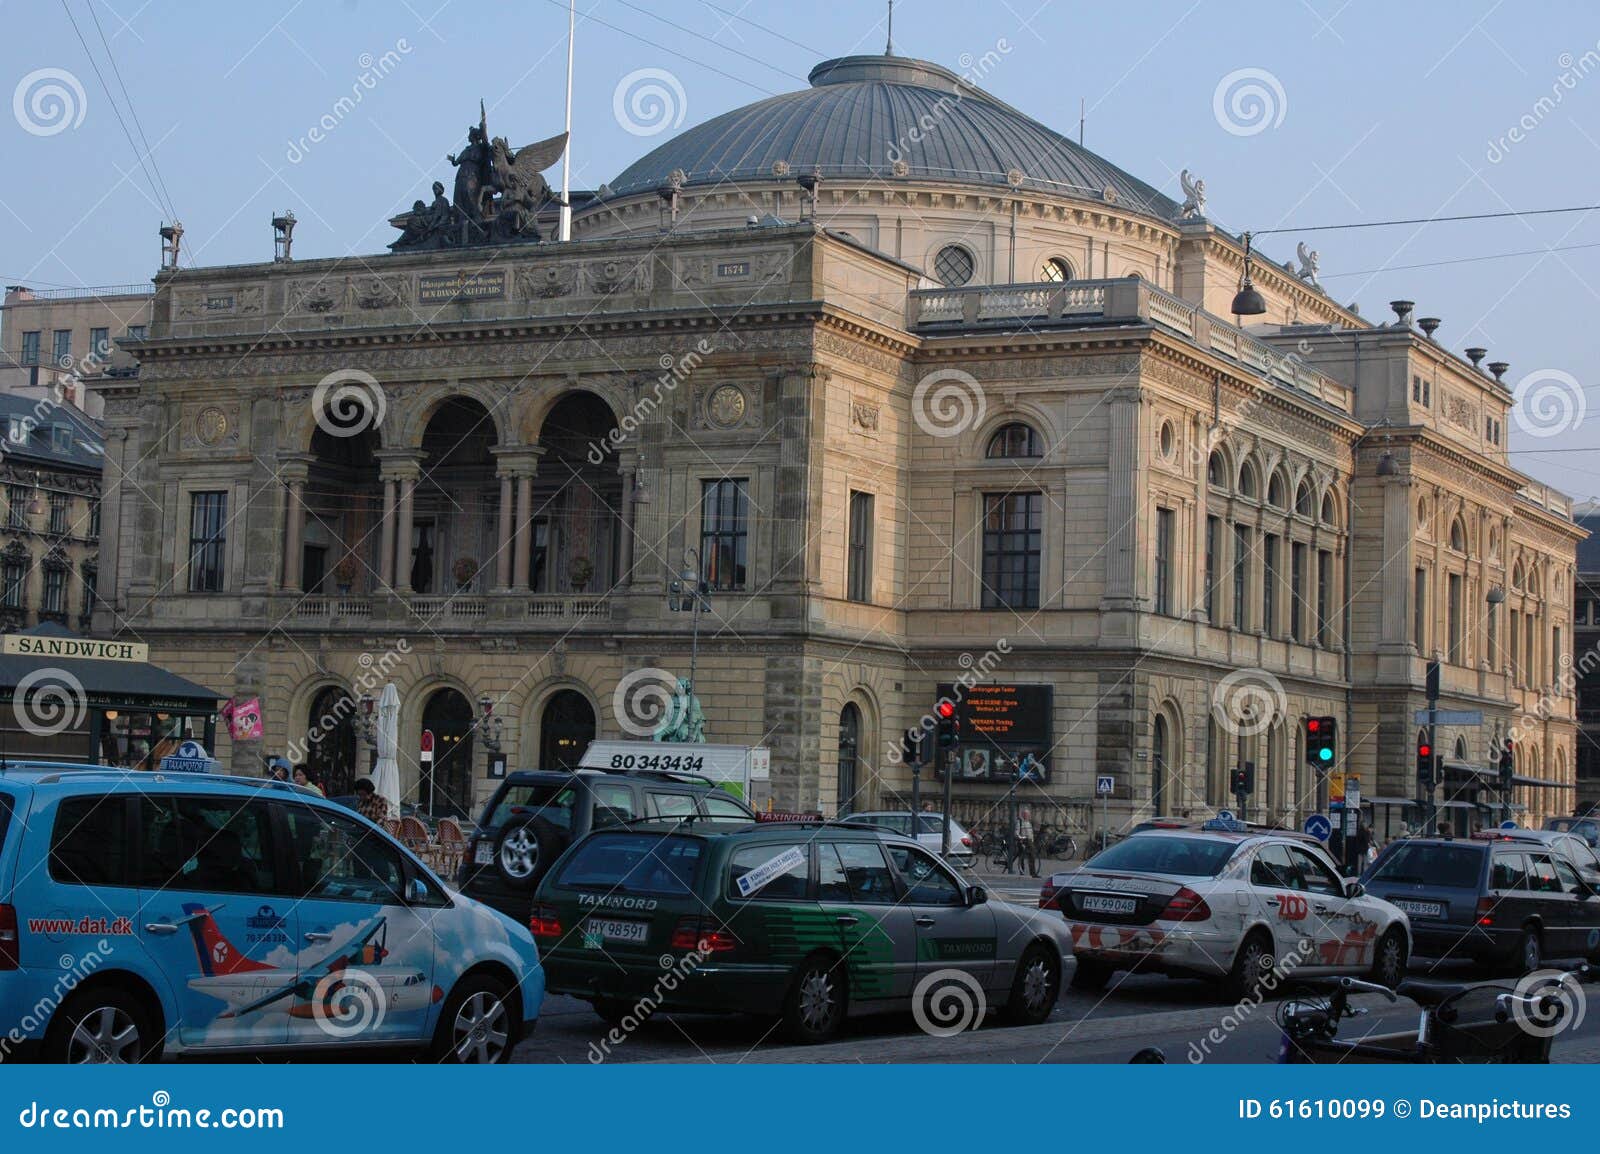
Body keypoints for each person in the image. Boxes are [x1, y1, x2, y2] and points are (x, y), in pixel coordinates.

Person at [1012, 806, 1039, 878]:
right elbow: (1016, 833)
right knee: (1022, 856)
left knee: (1032, 856)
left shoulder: (1029, 822)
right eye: (1025, 814)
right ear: (1023, 815)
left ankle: (1033, 872)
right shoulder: (1019, 822)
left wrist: (1032, 840)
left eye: (1028, 815)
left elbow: (1031, 833)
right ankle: (1022, 870)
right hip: (1023, 841)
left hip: (1029, 841)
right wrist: (1021, 838)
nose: (1027, 816)